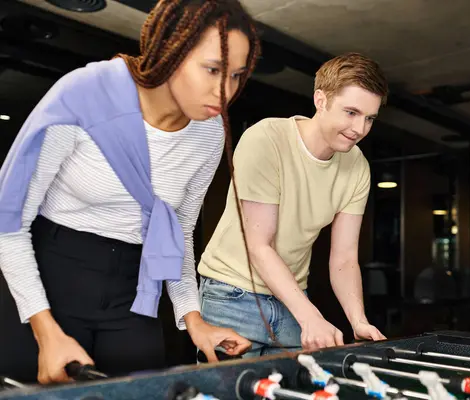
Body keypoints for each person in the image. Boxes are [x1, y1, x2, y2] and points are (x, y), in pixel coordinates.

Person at [0, 0, 260, 384]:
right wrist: (46, 332)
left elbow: (179, 233)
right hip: (49, 275)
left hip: (134, 288)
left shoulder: (208, 133)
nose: (226, 91)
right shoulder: (83, 96)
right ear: (168, 51)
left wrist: (194, 320)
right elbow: (9, 223)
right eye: (213, 69)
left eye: (236, 75)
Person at [197, 52, 388, 357]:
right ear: (321, 100)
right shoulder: (267, 139)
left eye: (369, 118)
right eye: (351, 112)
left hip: (292, 298)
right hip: (229, 294)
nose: (360, 129)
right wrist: (311, 316)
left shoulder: (357, 166)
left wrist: (357, 319)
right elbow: (259, 245)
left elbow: (344, 256)